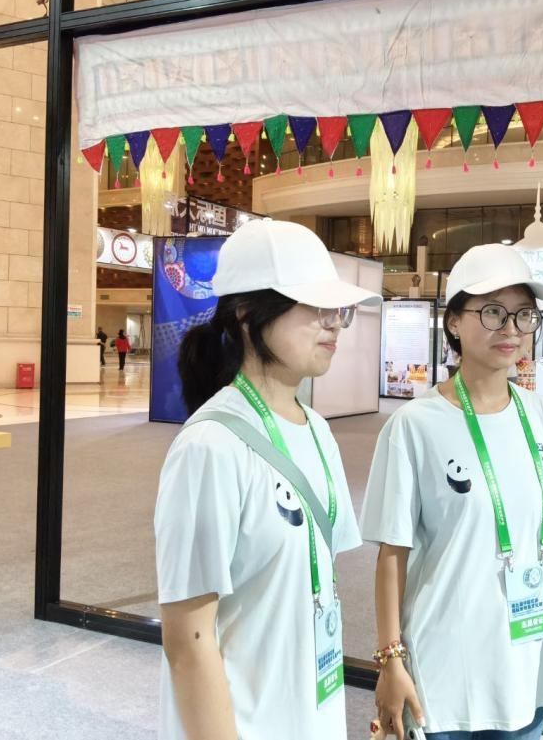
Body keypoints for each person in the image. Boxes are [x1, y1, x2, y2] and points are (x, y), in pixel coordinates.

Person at [154, 219, 381, 740]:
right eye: (315, 306)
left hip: (312, 712)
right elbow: (188, 642)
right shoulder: (210, 447)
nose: (335, 324)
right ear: (246, 314)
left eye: (338, 310)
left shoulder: (318, 432)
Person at [361, 243, 543, 740]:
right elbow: (391, 554)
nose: (510, 329)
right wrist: (390, 659)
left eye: (523, 314)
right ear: (453, 322)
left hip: (523, 662)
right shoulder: (414, 426)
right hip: (444, 666)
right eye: (492, 312)